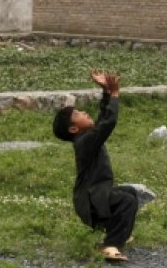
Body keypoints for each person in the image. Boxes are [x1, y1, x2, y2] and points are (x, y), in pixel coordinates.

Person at [53, 70, 137, 262]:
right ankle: (110, 245)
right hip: (91, 201)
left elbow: (102, 119)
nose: (84, 112)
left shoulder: (87, 137)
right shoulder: (85, 142)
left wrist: (107, 92)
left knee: (130, 192)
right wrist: (115, 95)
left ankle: (119, 233)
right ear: (74, 129)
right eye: (78, 114)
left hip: (94, 198)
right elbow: (108, 122)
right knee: (126, 201)